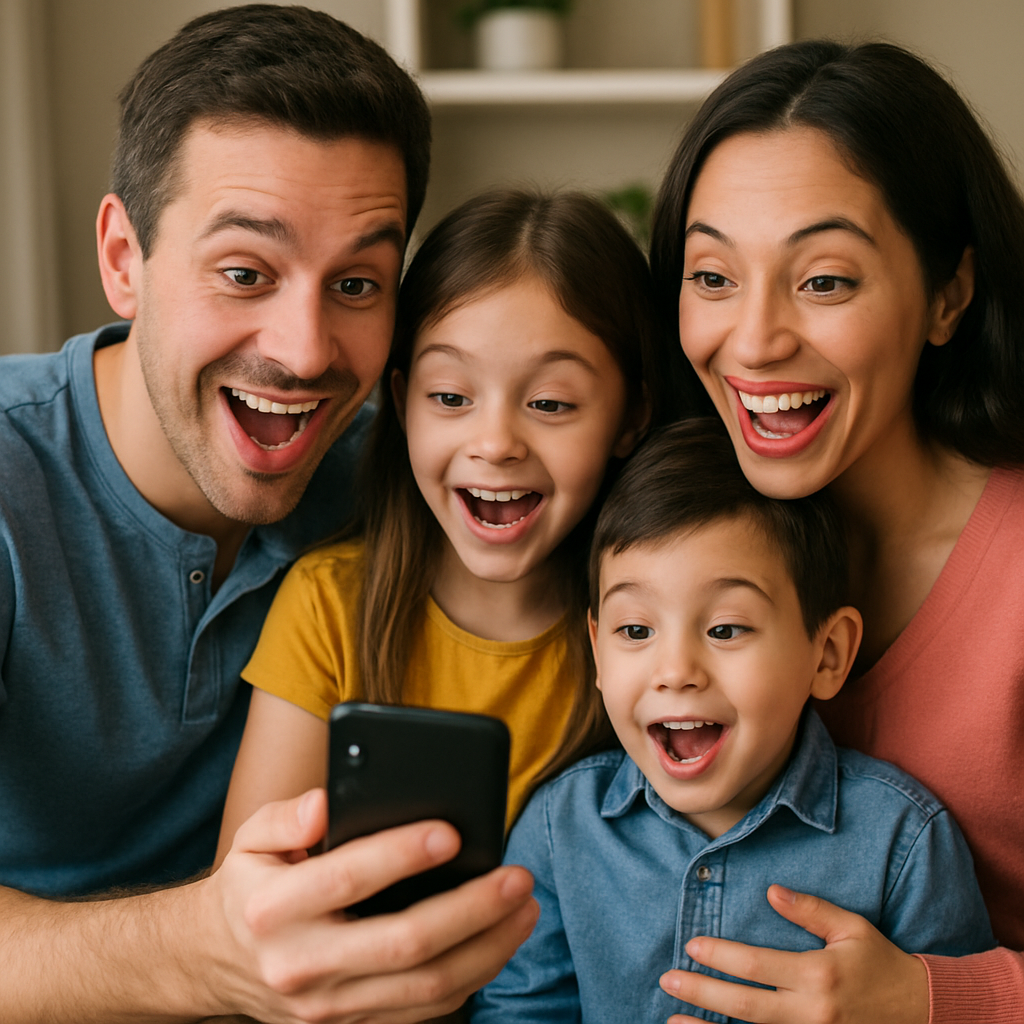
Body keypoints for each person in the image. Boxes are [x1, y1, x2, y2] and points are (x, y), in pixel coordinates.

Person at [0, 7, 541, 1021]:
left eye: (356, 284)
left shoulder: (420, 471)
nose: (304, 350)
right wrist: (204, 949)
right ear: (125, 258)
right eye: (245, 273)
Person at [648, 39, 1024, 1024]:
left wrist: (934, 997)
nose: (756, 338)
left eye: (823, 280)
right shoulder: (656, 542)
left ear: (947, 294)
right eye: (714, 276)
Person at [470, 418, 995, 1023]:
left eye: (725, 629)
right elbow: (519, 1011)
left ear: (825, 656)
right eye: (635, 630)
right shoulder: (561, 827)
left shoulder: (902, 842)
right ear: (596, 651)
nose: (675, 670)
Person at [216, 187, 673, 864]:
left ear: (631, 418)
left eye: (550, 402)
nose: (495, 443)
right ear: (402, 404)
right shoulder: (329, 607)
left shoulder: (663, 632)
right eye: (452, 397)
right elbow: (247, 898)